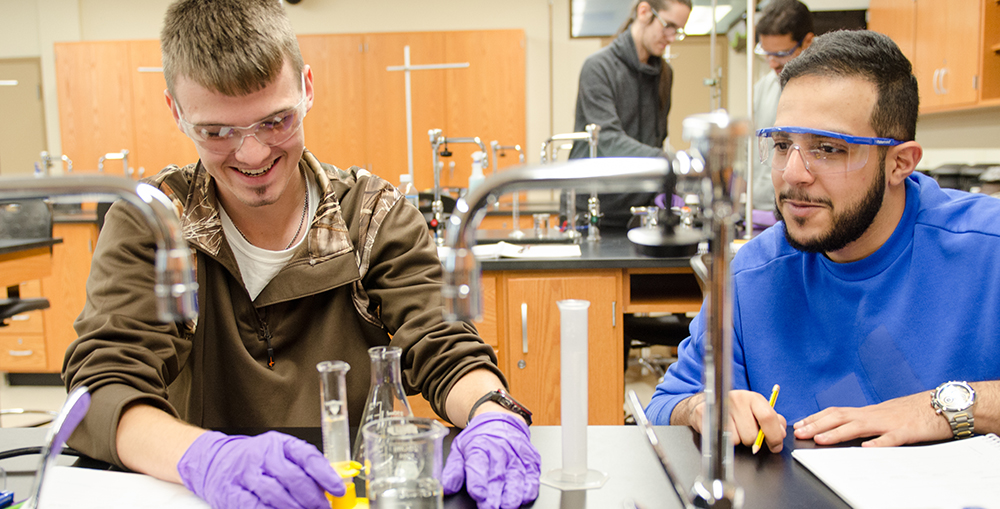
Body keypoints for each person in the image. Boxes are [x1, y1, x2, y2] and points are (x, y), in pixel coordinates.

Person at [62, 1, 540, 508]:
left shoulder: (371, 215)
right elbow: (99, 392)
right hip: (201, 497)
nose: (252, 154)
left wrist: (492, 413)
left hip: (343, 493)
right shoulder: (154, 224)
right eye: (216, 131)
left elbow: (442, 343)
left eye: (275, 121)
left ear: (307, 88)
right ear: (176, 112)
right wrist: (207, 459)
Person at [646, 30, 1000, 455]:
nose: (793, 173)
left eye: (829, 149)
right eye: (782, 145)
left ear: (900, 163)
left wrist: (942, 407)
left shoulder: (987, 249)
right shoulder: (751, 274)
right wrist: (703, 407)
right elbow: (665, 404)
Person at [568, 0, 692, 230]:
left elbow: (657, 137)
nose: (672, 37)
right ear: (644, 12)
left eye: (678, 30)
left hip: (641, 212)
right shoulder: (598, 67)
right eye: (668, 26)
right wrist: (668, 161)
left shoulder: (664, 73)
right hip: (596, 212)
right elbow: (608, 140)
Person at [750, 0, 813, 215]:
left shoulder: (825, 93)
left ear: (807, 42)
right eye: (766, 53)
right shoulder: (762, 88)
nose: (772, 63)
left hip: (802, 204)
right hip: (761, 207)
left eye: (781, 54)